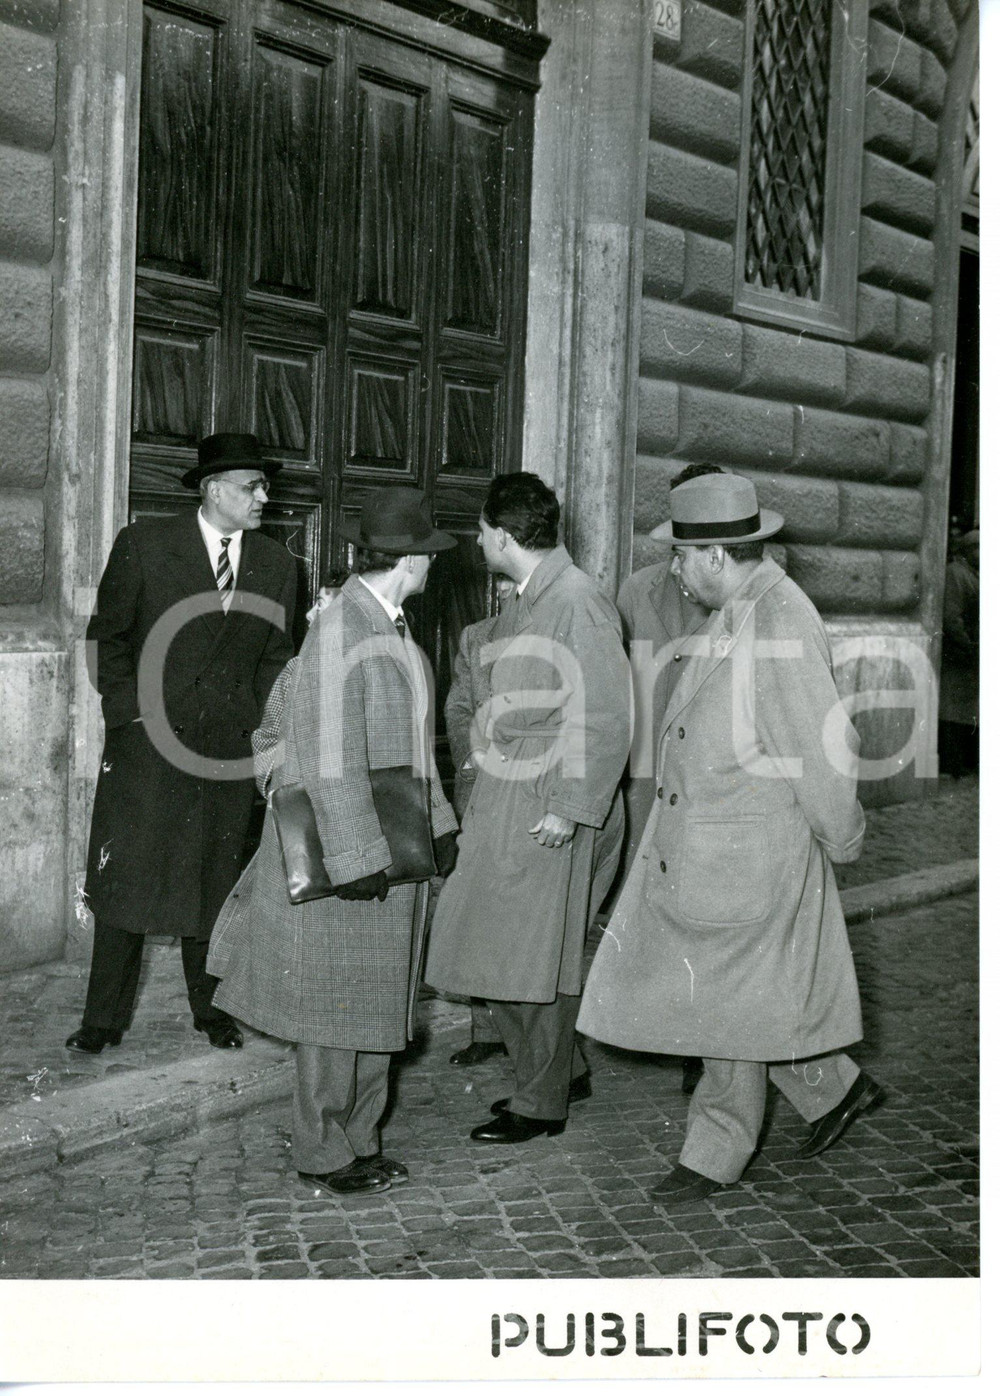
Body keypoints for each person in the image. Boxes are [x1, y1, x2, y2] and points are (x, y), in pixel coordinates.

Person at [578, 472, 883, 1204]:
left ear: (716, 555)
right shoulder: (743, 606)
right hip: (725, 848)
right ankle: (832, 1089)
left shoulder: (779, 619)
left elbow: (820, 751)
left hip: (753, 852)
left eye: (682, 558)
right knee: (742, 995)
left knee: (723, 1000)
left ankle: (714, 1150)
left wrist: (840, 841)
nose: (674, 571)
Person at [208, 486, 459, 1196]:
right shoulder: (343, 629)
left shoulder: (389, 622)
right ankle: (326, 1150)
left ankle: (359, 1137)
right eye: (428, 556)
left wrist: (442, 829)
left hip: (390, 849)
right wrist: (355, 860)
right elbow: (328, 753)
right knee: (333, 1009)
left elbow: (414, 750)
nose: (434, 568)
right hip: (355, 858)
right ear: (408, 561)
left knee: (375, 1003)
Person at [66, 433, 298, 1055]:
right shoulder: (144, 544)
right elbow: (105, 639)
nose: (264, 498)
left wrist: (263, 736)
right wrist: (129, 718)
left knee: (214, 881)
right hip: (147, 746)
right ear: (214, 490)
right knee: (125, 886)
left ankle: (212, 1011)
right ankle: (102, 1021)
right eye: (253, 487)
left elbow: (276, 660)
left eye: (263, 487)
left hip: (226, 749)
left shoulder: (279, 565)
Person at [425, 474, 632, 1143]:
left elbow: (604, 716)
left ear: (504, 535)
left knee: (535, 957)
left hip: (551, 800)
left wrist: (571, 807)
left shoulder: (578, 600)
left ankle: (541, 1103)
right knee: (489, 942)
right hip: (511, 793)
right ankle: (559, 1070)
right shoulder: (532, 599)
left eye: (482, 530)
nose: (478, 541)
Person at [617, 463, 721, 1098]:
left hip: (713, 786)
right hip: (649, 780)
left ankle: (705, 1046)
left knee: (708, 917)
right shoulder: (635, 592)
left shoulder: (746, 593)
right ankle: (672, 1029)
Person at [443, 577, 516, 1068]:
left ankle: (526, 1036)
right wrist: (470, 758)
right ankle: (485, 1027)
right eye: (504, 587)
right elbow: (458, 706)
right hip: (479, 788)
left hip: (527, 790)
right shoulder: (476, 636)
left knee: (517, 919)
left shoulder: (556, 633)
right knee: (474, 913)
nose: (509, 595)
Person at [938, 529, 979, 777]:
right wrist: (968, 645)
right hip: (960, 654)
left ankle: (963, 763)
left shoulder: (973, 574)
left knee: (967, 710)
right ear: (967, 550)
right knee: (953, 709)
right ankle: (952, 764)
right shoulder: (956, 574)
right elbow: (951, 617)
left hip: (971, 655)